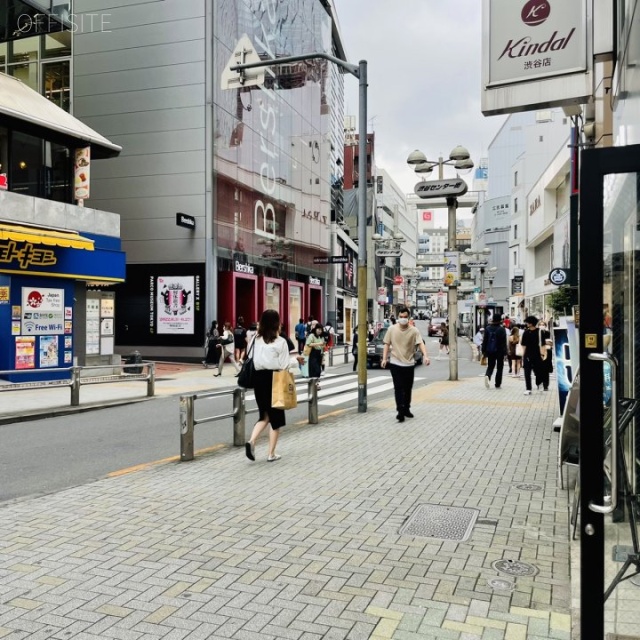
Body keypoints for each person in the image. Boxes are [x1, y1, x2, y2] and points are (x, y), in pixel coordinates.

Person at [244, 309, 292, 463]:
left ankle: (251, 440)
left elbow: (249, 356)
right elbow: (285, 365)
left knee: (264, 415)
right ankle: (271, 454)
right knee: (276, 418)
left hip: (258, 379)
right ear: (277, 323)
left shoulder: (255, 340)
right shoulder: (281, 341)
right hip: (275, 379)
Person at [381, 305, 430, 422]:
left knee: (408, 388)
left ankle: (406, 408)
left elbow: (420, 343)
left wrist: (426, 356)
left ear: (408, 318)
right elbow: (386, 344)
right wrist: (384, 359)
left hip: (409, 364)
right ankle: (400, 411)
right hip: (395, 362)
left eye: (405, 317)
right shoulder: (392, 329)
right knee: (398, 387)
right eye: (401, 316)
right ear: (398, 317)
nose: (403, 318)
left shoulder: (414, 330)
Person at [520, 315, 549, 395]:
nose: (527, 324)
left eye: (528, 322)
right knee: (527, 372)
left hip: (538, 354)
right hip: (528, 355)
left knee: (538, 371)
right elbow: (523, 345)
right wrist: (523, 356)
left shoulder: (540, 332)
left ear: (532, 323)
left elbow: (542, 344)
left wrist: (543, 354)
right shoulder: (526, 332)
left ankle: (539, 384)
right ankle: (528, 388)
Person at [482, 313, 507, 389]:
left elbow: (485, 341)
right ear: (500, 320)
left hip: (490, 350)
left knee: (490, 366)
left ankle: (488, 376)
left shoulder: (488, 328)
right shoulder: (502, 329)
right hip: (500, 351)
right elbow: (504, 342)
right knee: (500, 368)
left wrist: (484, 351)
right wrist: (505, 352)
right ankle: (497, 383)